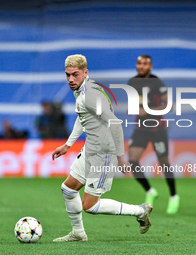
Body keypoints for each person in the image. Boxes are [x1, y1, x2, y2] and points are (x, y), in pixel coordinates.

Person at [51, 54, 153, 242]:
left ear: (85, 72)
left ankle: (140, 211)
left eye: (75, 74)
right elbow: (83, 118)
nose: (71, 79)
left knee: (90, 206)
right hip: (91, 148)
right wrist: (67, 144)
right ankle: (78, 234)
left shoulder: (91, 95)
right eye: (68, 75)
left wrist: (121, 157)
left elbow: (115, 123)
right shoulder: (81, 91)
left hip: (104, 153)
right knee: (68, 188)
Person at [127, 55, 179, 214]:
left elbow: (170, 105)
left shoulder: (156, 82)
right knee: (132, 160)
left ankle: (173, 196)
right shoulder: (132, 82)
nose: (141, 66)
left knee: (164, 163)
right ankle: (150, 191)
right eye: (139, 63)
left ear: (150, 66)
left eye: (145, 64)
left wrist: (147, 110)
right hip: (141, 128)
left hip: (157, 128)